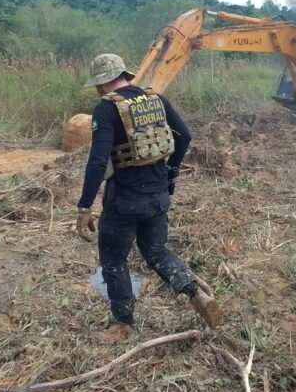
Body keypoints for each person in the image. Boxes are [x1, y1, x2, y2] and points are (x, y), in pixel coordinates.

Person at [75, 53, 222, 334]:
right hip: (158, 195)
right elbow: (185, 136)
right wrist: (171, 172)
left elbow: (97, 160)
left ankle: (123, 324)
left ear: (102, 82)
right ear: (124, 75)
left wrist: (84, 206)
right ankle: (197, 294)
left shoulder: (106, 109)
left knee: (114, 260)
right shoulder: (156, 99)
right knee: (155, 251)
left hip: (124, 201)